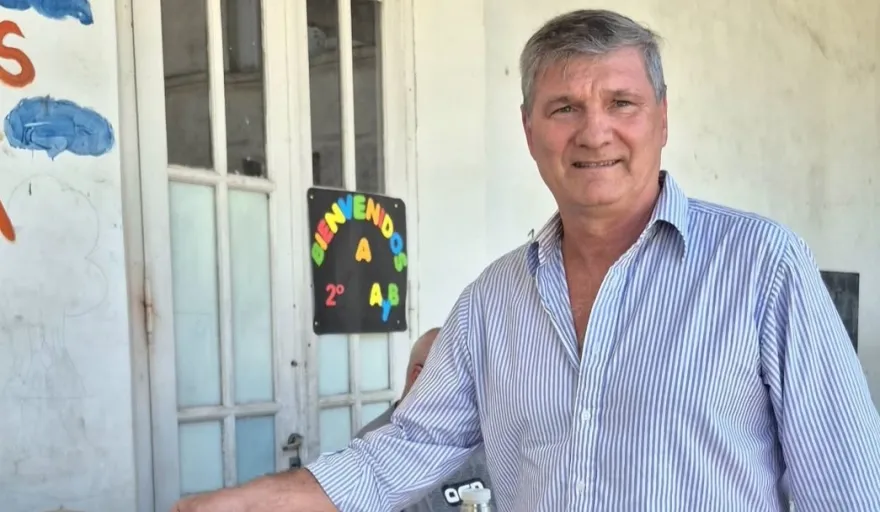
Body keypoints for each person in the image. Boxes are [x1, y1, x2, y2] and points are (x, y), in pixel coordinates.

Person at [174, 9, 880, 512]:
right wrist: (252, 501)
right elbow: (402, 451)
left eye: (622, 102)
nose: (594, 131)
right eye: (564, 107)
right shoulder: (493, 301)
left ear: (662, 120)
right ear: (529, 130)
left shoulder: (761, 268)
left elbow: (845, 486)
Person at [354, 328, 493, 511]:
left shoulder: (481, 437)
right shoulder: (374, 447)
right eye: (460, 382)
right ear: (418, 377)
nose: (472, 394)